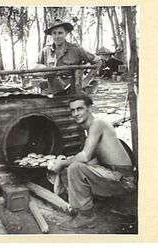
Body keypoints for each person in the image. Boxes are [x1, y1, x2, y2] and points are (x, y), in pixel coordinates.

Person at [48, 93, 137, 231]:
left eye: (80, 109)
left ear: (89, 109)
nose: (76, 113)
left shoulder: (98, 124)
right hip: (115, 176)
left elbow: (83, 157)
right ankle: (87, 206)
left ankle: (86, 217)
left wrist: (62, 163)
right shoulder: (90, 131)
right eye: (73, 110)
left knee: (75, 168)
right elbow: (90, 160)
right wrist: (64, 162)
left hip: (124, 181)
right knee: (71, 168)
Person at [36, 18, 102, 94]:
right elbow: (36, 65)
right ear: (51, 34)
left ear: (66, 33)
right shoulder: (46, 50)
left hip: (74, 91)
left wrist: (86, 80)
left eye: (60, 33)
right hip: (53, 92)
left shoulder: (76, 49)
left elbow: (98, 61)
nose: (57, 36)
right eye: (54, 33)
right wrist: (44, 68)